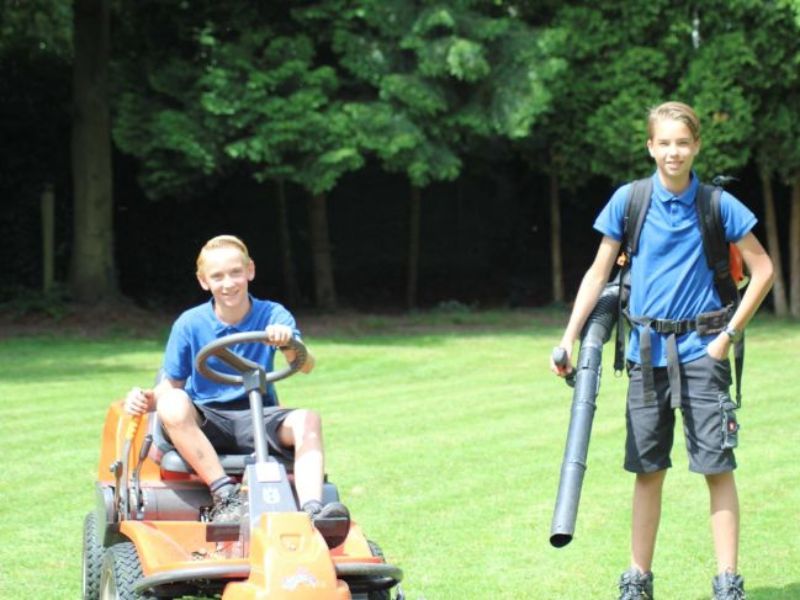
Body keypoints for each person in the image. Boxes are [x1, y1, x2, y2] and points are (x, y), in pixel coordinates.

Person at [551, 101, 774, 600]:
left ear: (695, 146)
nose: (673, 152)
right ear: (651, 146)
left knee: (717, 467)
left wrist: (727, 337)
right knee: (647, 469)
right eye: (664, 143)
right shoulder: (629, 201)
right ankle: (637, 579)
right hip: (644, 354)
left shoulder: (718, 204)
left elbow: (763, 271)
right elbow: (598, 273)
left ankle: (727, 582)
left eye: (682, 143)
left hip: (703, 352)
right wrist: (568, 337)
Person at [123, 234, 349, 544]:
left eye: (235, 273)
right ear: (204, 281)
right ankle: (225, 494)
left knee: (308, 419)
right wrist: (145, 399)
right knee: (173, 403)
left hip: (258, 415)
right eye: (217, 276)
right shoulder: (190, 324)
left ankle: (313, 511)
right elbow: (170, 386)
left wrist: (287, 345)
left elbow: (306, 364)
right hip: (208, 419)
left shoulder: (273, 315)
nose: (228, 283)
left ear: (250, 271)